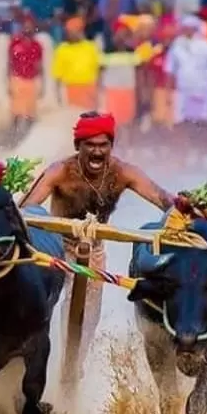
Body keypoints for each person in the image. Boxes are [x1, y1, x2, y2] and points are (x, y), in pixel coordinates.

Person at [18, 111, 174, 369]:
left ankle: (72, 366)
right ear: (78, 146)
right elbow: (26, 210)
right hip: (55, 247)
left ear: (111, 147)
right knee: (39, 303)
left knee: (86, 317)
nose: (97, 152)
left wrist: (187, 209)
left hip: (93, 250)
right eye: (90, 145)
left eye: (104, 145)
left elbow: (163, 200)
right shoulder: (60, 172)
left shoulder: (123, 172)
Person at [165, 15, 207, 142]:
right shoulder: (176, 46)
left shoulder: (206, 46)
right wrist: (168, 93)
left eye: (190, 28)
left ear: (195, 29)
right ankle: (183, 152)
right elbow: (170, 71)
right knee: (181, 122)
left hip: (203, 89)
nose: (187, 31)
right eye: (185, 28)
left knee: (204, 121)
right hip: (183, 90)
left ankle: (202, 152)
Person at [51, 16, 100, 109]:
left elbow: (97, 71)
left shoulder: (91, 47)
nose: (73, 34)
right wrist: (58, 97)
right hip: (71, 89)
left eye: (77, 30)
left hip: (89, 88)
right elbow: (57, 75)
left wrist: (97, 95)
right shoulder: (62, 49)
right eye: (70, 31)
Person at [8, 12, 44, 136]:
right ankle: (13, 135)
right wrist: (8, 82)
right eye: (25, 25)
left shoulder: (37, 45)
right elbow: (10, 63)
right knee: (16, 111)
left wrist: (41, 84)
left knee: (30, 111)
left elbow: (40, 65)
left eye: (30, 25)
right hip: (17, 78)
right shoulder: (15, 42)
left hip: (31, 80)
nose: (27, 28)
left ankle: (29, 136)